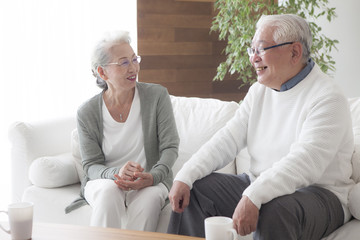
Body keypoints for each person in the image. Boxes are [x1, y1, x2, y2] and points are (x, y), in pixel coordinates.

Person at [167, 14, 355, 239]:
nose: (253, 58)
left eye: (262, 49)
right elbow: (228, 139)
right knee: (197, 190)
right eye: (252, 50)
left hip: (320, 194)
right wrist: (185, 176)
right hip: (260, 184)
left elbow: (305, 162)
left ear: (294, 52)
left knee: (274, 209)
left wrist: (254, 196)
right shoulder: (259, 91)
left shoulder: (327, 97)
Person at [65, 31, 179, 231]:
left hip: (148, 180)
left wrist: (153, 176)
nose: (134, 67)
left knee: (150, 199)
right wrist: (116, 174)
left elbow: (170, 146)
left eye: (135, 59)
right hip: (105, 180)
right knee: (109, 192)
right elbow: (91, 165)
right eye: (124, 62)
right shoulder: (87, 112)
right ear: (102, 72)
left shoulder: (157, 96)